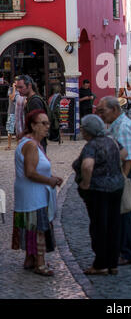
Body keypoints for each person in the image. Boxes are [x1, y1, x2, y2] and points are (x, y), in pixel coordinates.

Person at [72, 114, 126, 275]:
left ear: (89, 131)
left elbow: (88, 165)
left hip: (98, 190)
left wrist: (85, 183)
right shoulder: (112, 141)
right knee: (114, 225)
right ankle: (113, 263)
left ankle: (100, 264)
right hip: (116, 187)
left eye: (82, 127)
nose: (81, 130)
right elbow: (124, 154)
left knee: (99, 226)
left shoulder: (92, 145)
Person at [12, 109, 63, 276]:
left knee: (31, 227)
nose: (47, 126)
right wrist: (50, 181)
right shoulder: (31, 145)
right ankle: (40, 264)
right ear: (33, 126)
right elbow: (30, 172)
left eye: (48, 123)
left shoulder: (32, 143)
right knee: (39, 228)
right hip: (33, 195)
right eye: (43, 123)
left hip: (30, 194)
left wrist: (51, 177)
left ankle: (30, 258)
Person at [96, 96, 131, 266]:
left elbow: (127, 157)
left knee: (125, 212)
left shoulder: (122, 127)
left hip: (124, 173)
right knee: (120, 213)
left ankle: (128, 252)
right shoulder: (116, 125)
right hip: (120, 173)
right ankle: (124, 249)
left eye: (102, 110)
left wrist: (121, 180)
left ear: (114, 110)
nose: (100, 114)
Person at [16, 75, 49, 153]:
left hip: (37, 142)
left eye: (21, 87)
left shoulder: (34, 102)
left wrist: (22, 134)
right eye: (17, 87)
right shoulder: (30, 100)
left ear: (29, 86)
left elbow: (38, 124)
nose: (18, 90)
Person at [5, 79, 19, 150]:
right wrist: (13, 88)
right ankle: (9, 145)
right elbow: (12, 98)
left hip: (19, 112)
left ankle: (18, 145)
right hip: (11, 112)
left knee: (18, 130)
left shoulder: (20, 90)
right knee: (10, 130)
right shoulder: (10, 89)